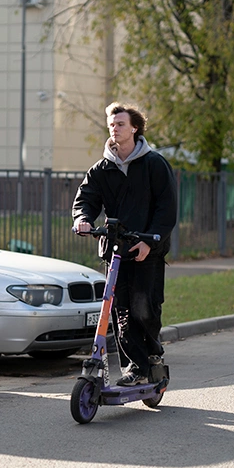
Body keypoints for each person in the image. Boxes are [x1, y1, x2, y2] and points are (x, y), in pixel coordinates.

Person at [73, 102, 177, 386]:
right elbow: (86, 199)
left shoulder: (154, 164)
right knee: (120, 311)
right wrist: (82, 218)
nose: (114, 128)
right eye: (111, 124)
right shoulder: (101, 169)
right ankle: (135, 368)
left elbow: (166, 209)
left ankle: (153, 356)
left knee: (144, 308)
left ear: (134, 127)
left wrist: (150, 243)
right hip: (115, 250)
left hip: (147, 249)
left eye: (120, 124)